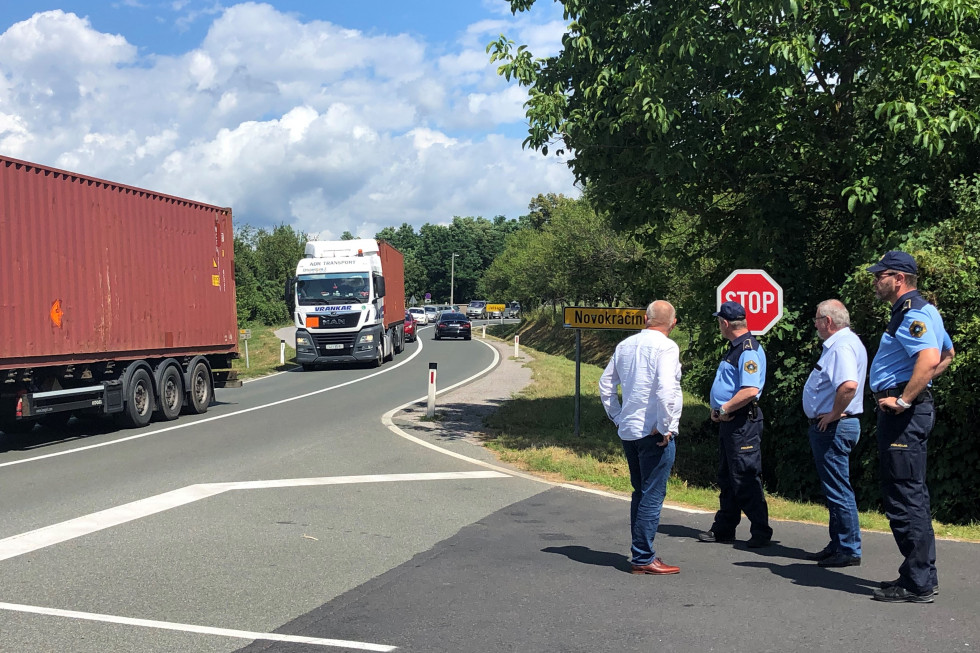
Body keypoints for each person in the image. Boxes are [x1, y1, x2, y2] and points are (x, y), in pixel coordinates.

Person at [867, 251, 954, 603]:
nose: (876, 281)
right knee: (909, 493)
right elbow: (947, 354)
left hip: (904, 414)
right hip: (909, 411)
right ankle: (916, 573)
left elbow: (931, 359)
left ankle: (918, 581)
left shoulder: (912, 313)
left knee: (905, 497)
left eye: (880, 275)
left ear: (899, 278)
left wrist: (904, 399)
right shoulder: (926, 310)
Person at [599, 300, 683, 575]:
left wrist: (617, 417)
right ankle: (644, 556)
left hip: (630, 430)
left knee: (640, 491)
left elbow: (606, 384)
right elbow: (666, 388)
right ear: (672, 323)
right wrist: (666, 424)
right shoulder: (667, 347)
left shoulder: (625, 345)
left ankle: (640, 553)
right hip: (654, 431)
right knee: (652, 494)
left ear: (645, 319)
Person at [698, 301, 773, 548]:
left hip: (742, 423)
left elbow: (750, 390)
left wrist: (725, 408)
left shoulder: (747, 350)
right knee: (728, 477)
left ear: (725, 323)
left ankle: (761, 531)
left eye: (719, 322)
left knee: (745, 477)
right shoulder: (736, 348)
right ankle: (724, 528)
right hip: (731, 422)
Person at [802, 299, 867, 568]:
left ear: (828, 321)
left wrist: (834, 414)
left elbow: (848, 386)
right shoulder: (843, 344)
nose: (815, 324)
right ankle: (838, 543)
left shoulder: (842, 346)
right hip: (834, 426)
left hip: (835, 427)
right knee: (834, 488)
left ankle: (849, 548)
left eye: (817, 319)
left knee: (839, 489)